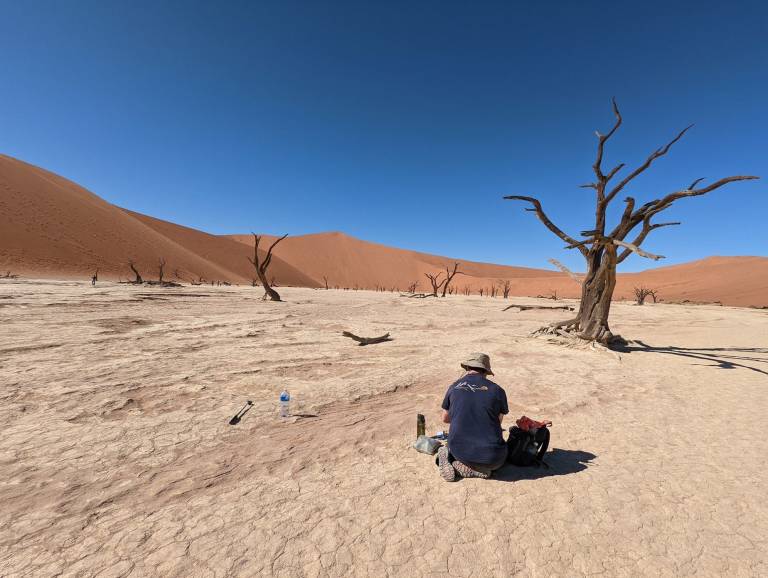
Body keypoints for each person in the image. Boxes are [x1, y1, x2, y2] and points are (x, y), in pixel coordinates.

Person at [437, 353, 509, 481]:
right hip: (494, 458)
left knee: (453, 444)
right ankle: (481, 469)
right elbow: (497, 422)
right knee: (500, 453)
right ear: (486, 371)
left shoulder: (454, 387)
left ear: (467, 368)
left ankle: (451, 457)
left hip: (460, 452)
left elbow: (445, 419)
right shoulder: (498, 390)